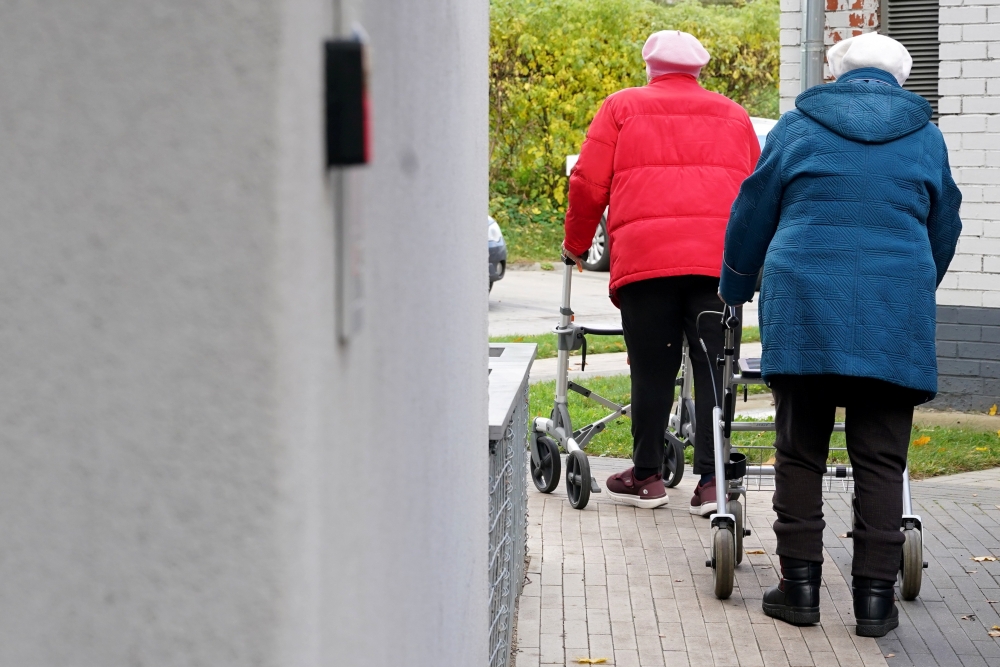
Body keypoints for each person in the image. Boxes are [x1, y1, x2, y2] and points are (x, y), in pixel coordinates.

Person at [719, 32, 962, 638]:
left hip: (805, 305)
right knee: (881, 458)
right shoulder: (926, 137)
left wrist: (735, 284)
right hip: (892, 311)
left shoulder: (799, 127)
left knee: (800, 450)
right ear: (900, 80)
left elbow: (752, 210)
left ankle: (798, 590)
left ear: (836, 70)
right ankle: (875, 603)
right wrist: (911, 283)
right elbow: (945, 223)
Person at [563, 31, 760, 512]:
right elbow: (757, 190)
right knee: (716, 365)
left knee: (651, 367)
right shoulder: (733, 114)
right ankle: (712, 482)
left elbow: (588, 183)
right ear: (699, 70)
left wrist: (576, 245)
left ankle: (647, 476)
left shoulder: (621, 107)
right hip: (718, 265)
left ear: (650, 67)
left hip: (647, 264)